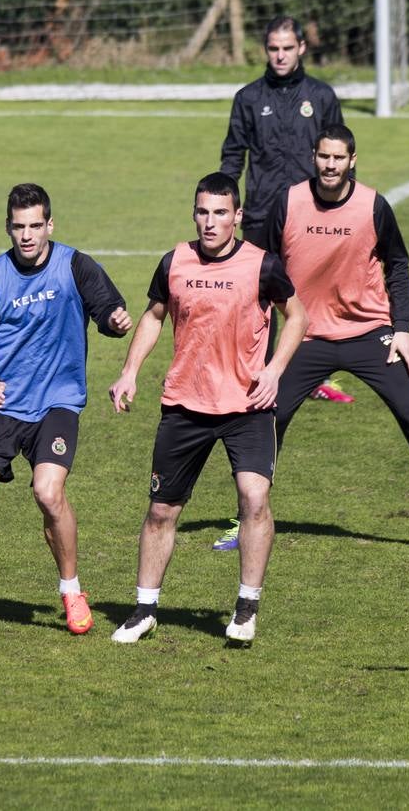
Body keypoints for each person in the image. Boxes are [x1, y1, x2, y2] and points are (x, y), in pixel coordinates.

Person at [107, 173, 308, 645]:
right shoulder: (174, 261)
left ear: (237, 216)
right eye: (203, 212)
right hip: (185, 405)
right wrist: (130, 371)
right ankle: (144, 610)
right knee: (161, 512)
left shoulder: (263, 265)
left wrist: (275, 369)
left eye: (220, 213)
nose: (210, 222)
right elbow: (155, 315)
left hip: (247, 405)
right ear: (193, 213)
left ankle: (246, 607)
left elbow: (297, 314)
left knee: (254, 499)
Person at [265, 124, 409, 555]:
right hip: (306, 334)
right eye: (323, 157)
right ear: (314, 157)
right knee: (266, 421)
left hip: (370, 333)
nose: (330, 165)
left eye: (338, 158)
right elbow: (263, 268)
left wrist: (401, 329)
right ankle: (247, 518)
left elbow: (398, 265)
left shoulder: (373, 206)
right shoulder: (288, 202)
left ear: (352, 161)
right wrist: (262, 344)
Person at [0, 184, 132, 633]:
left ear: (50, 225)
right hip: (4, 406)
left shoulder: (74, 265)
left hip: (57, 403)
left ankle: (71, 591)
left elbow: (106, 308)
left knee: (48, 492)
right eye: (18, 227)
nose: (26, 235)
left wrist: (115, 322)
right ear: (8, 227)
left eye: (34, 226)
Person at [220, 15, 352, 405]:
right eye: (274, 49)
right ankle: (256, 374)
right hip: (261, 211)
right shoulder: (248, 98)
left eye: (287, 48)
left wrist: (343, 205)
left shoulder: (322, 96)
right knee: (258, 298)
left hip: (310, 215)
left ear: (301, 49)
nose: (280, 56)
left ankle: (312, 377)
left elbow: (342, 158)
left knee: (310, 298)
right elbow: (232, 154)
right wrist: (227, 203)